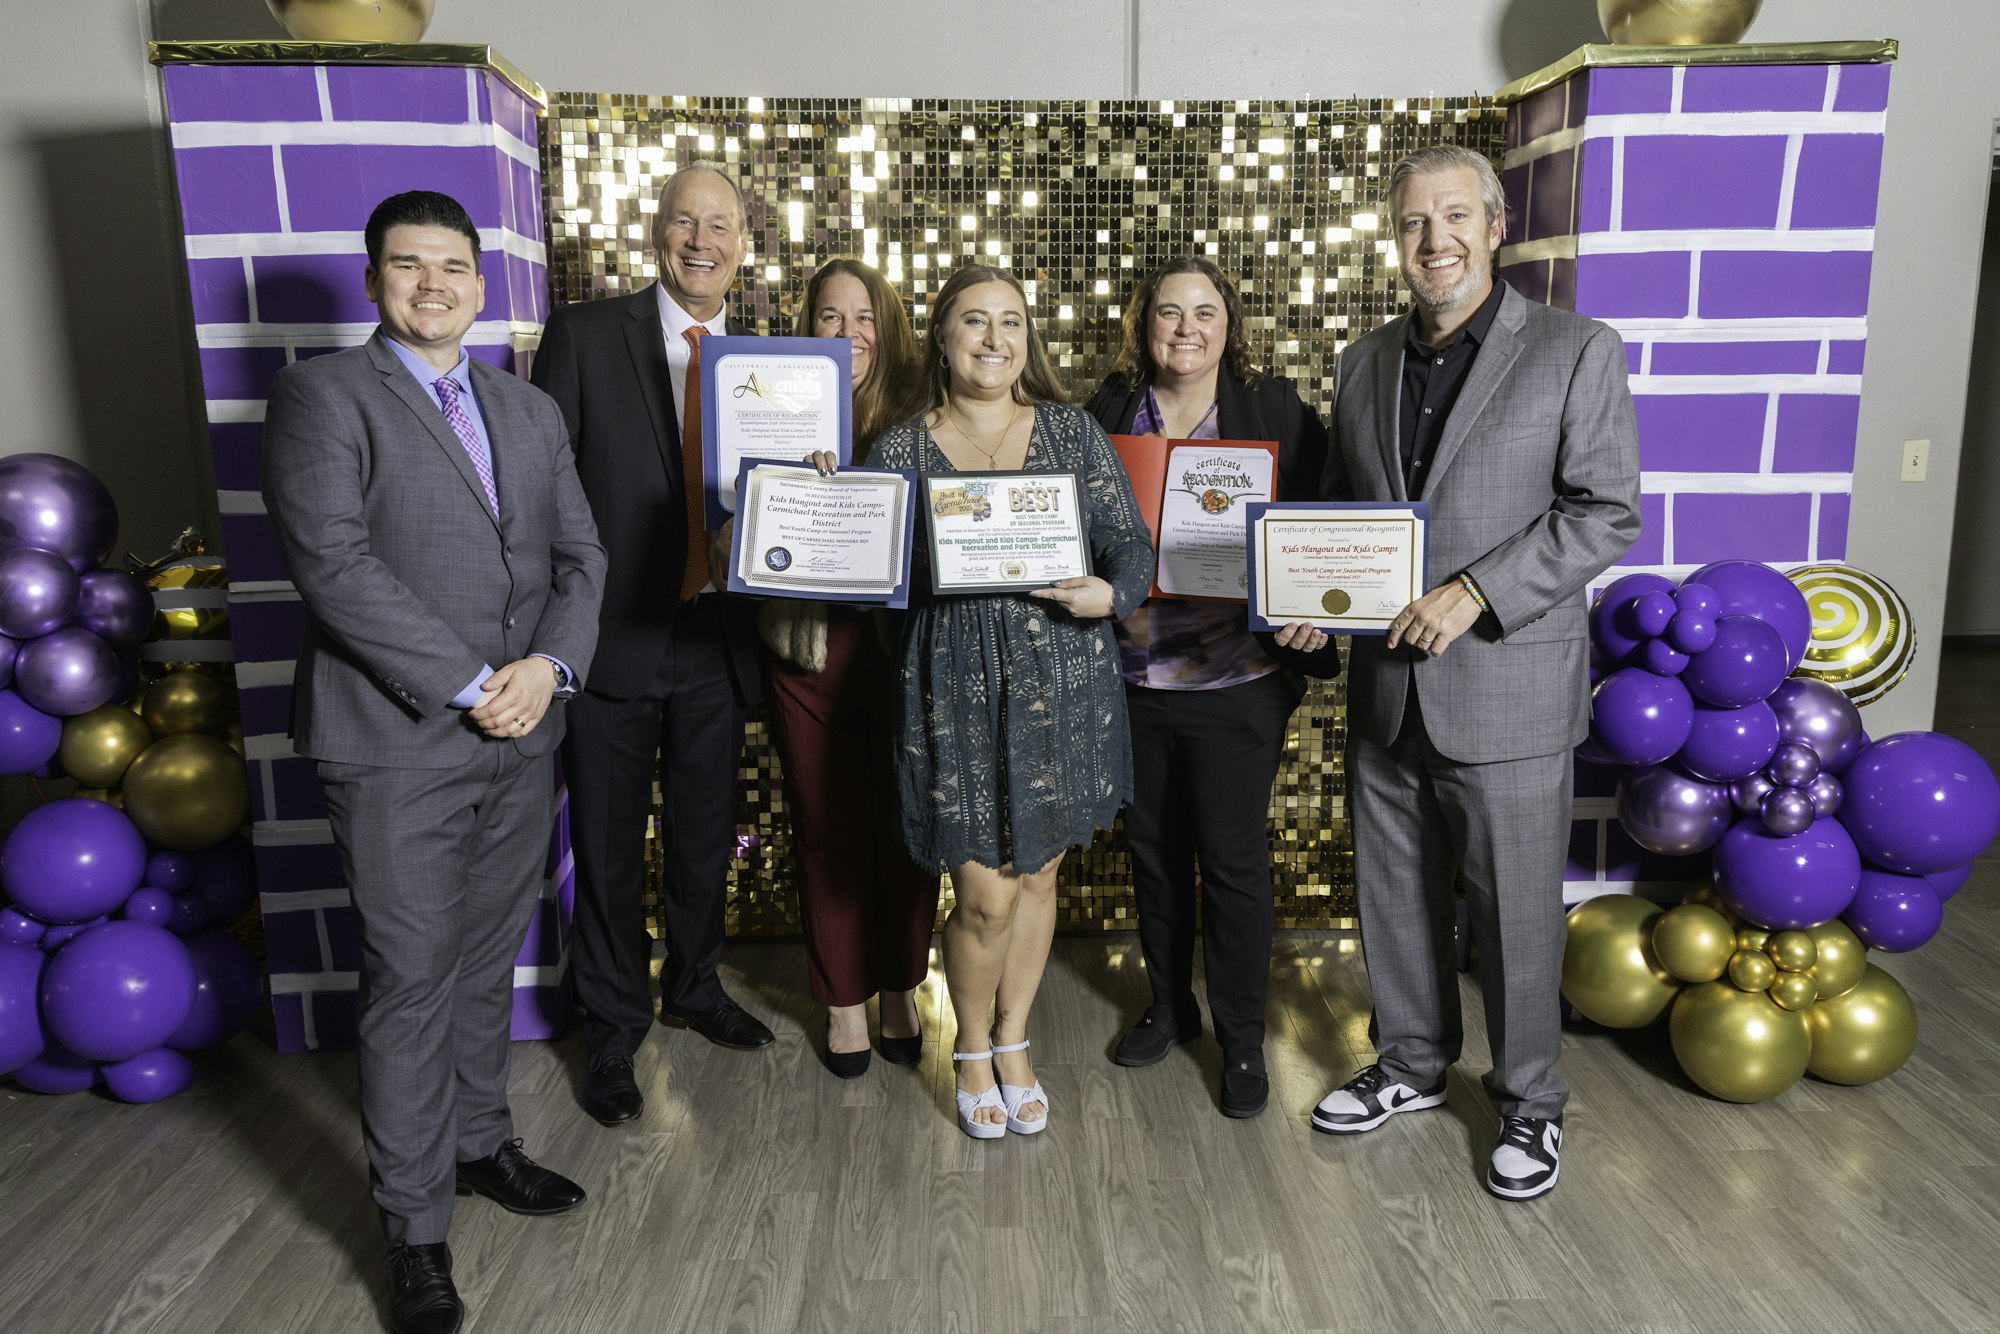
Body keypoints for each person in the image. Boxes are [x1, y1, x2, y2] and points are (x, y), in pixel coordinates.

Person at [262, 189, 606, 1334]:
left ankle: (478, 1143)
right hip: (396, 739)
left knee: (482, 958)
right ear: (373, 281)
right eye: (407, 265)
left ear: (478, 282)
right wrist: (474, 682)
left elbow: (580, 557)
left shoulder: (525, 407)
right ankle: (413, 1230)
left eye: (451, 265)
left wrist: (546, 669)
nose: (431, 284)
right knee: (410, 976)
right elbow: (334, 565)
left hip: (523, 729)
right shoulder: (322, 396)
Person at [1306, 145, 1640, 1200]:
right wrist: (1307, 593)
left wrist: (1477, 591)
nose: (1433, 239)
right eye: (1413, 221)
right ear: (1394, 239)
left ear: (1495, 229)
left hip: (1506, 682)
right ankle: (1410, 1062)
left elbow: (1604, 511)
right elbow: (1344, 514)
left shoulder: (1575, 349)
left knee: (1514, 914)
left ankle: (1530, 1100)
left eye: (1455, 217)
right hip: (1385, 684)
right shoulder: (1361, 361)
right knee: (1392, 892)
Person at [867, 263, 1155, 1139]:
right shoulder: (901, 449)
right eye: (974, 321)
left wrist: (1113, 595)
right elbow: (871, 576)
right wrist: (826, 494)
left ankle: (1014, 1041)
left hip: (1064, 680)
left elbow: (1130, 545)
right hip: (952, 687)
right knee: (984, 896)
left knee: (1037, 877)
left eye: (1012, 323)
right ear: (941, 339)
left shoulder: (1070, 432)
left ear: (1028, 341)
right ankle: (968, 1050)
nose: (995, 340)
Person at [532, 162, 774, 1129]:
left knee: (706, 836)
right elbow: (545, 490)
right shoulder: (586, 335)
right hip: (611, 638)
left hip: (718, 636)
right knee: (605, 844)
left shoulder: (771, 364)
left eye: (720, 225)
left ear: (743, 245)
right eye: (684, 221)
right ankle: (613, 1024)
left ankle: (696, 986)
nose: (701, 241)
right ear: (657, 232)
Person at [1085, 256, 1341, 1119]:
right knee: (1152, 852)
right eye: (1169, 312)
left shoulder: (1272, 410)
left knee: (1231, 862)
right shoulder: (1108, 411)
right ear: (1143, 324)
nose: (1186, 329)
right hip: (1131, 679)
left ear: (1230, 325)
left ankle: (1241, 1037)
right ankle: (1169, 1007)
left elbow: (1322, 521)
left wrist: (1316, 611)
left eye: (1205, 312)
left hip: (1237, 680)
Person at [764, 259, 940, 1077]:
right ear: (809, 328)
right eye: (830, 317)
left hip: (907, 650)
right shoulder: (774, 406)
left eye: (863, 317)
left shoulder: (924, 408)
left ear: (889, 326)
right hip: (808, 647)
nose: (848, 333)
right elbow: (738, 517)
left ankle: (902, 986)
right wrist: (786, 478)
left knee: (909, 826)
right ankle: (841, 1001)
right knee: (826, 829)